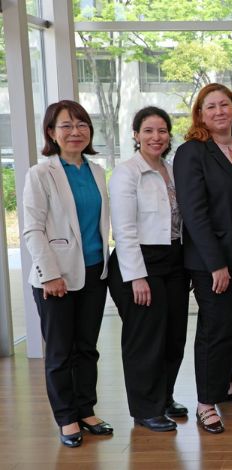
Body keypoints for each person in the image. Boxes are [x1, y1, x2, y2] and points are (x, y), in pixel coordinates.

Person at [174, 83, 232, 435]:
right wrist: (216, 265)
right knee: (216, 329)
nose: (218, 111)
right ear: (200, 114)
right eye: (210, 107)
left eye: (224, 104)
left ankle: (228, 382)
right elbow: (194, 214)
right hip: (212, 260)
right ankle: (206, 402)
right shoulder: (192, 153)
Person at [23, 100, 112, 447]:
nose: (75, 132)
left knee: (87, 348)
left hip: (94, 272)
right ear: (51, 133)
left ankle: (86, 409)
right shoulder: (41, 173)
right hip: (56, 277)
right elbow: (32, 229)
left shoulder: (97, 170)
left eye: (82, 125)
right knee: (60, 351)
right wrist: (49, 274)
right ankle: (66, 417)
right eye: (66, 126)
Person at [107, 107, 188, 432]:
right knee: (145, 341)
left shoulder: (171, 170)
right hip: (140, 262)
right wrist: (136, 276)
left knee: (173, 338)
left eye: (162, 131)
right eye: (148, 131)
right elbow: (123, 229)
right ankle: (145, 409)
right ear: (136, 135)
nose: (156, 137)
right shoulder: (128, 173)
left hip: (173, 261)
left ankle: (163, 397)